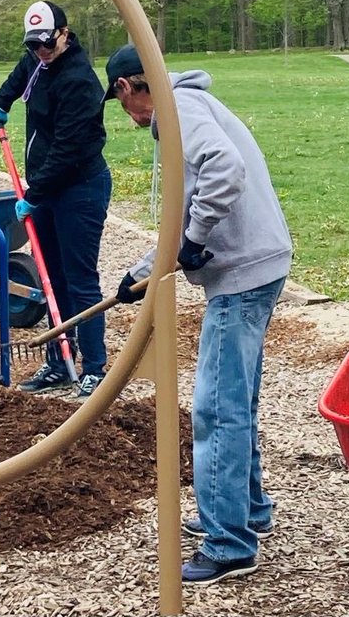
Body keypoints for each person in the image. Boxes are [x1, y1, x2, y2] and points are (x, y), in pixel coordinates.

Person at [105, 44, 293, 586]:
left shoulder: (177, 109)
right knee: (238, 399)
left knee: (216, 407)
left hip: (241, 275)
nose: (130, 118)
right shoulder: (188, 106)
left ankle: (229, 543)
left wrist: (192, 240)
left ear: (126, 89)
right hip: (259, 262)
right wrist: (141, 272)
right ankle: (248, 510)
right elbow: (180, 211)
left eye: (121, 106)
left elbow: (223, 171)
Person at [0, 0, 111, 398]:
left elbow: (68, 150)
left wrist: (34, 194)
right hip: (46, 189)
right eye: (34, 45)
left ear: (65, 33)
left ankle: (94, 368)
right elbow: (20, 74)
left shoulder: (80, 81)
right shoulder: (36, 60)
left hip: (79, 189)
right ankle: (59, 363)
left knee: (79, 280)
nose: (40, 52)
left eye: (47, 44)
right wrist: (1, 102)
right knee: (51, 281)